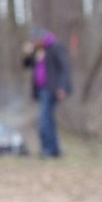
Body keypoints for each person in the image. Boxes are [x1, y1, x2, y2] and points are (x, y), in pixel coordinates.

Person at [22, 29, 71, 157]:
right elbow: (26, 65)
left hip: (52, 88)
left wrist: (63, 87)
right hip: (41, 89)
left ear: (41, 38)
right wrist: (28, 53)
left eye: (35, 40)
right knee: (47, 119)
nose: (33, 43)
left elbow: (64, 67)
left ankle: (47, 150)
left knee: (44, 119)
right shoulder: (38, 51)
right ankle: (53, 150)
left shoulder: (55, 47)